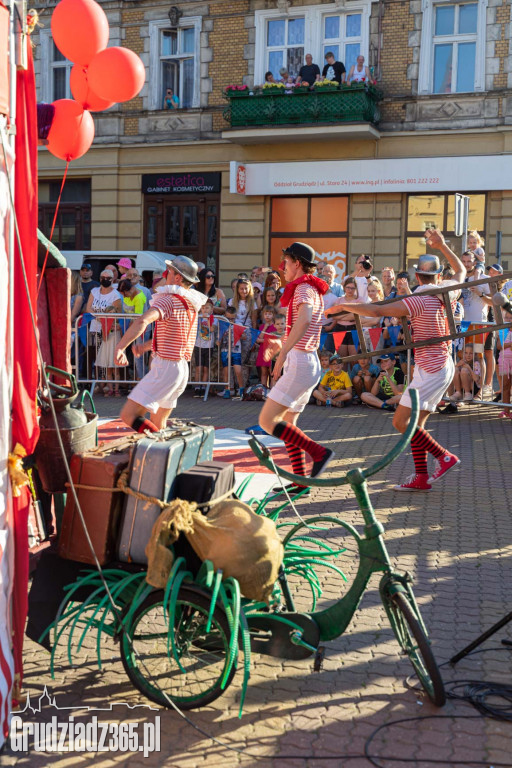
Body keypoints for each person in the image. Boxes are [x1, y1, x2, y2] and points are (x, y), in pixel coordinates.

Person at [327, 228, 466, 492]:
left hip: (431, 368)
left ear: (416, 276)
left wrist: (345, 306)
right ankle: (422, 478)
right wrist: (442, 246)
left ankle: (444, 456)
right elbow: (460, 272)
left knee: (401, 422)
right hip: (441, 365)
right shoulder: (447, 289)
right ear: (437, 275)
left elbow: (378, 309)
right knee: (417, 425)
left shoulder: (417, 299)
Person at [258, 242, 334, 496]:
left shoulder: (303, 288)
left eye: (287, 262)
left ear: (297, 263)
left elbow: (304, 321)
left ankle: (319, 452)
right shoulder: (310, 288)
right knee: (289, 422)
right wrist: (281, 345)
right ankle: (301, 481)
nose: (283, 267)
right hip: (305, 360)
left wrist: (282, 354)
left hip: (301, 361)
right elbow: (302, 326)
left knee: (268, 420)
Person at [114, 255, 207, 431]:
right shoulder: (189, 303)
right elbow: (175, 336)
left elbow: (142, 321)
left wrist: (121, 347)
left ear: (178, 277)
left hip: (166, 368)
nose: (165, 274)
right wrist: (146, 346)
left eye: (169, 271)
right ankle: (159, 453)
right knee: (158, 424)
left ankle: (155, 445)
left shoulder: (168, 299)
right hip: (180, 369)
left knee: (129, 415)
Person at [460, 250, 494, 399]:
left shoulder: (484, 279)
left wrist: (480, 294)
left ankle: (480, 391)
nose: (467, 264)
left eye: (469, 262)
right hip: (462, 324)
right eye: (464, 262)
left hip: (478, 324)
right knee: (462, 356)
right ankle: (464, 391)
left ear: (475, 263)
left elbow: (494, 302)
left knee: (479, 357)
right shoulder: (460, 279)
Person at [86, 269, 123, 396]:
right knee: (96, 357)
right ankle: (98, 384)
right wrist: (98, 317)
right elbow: (88, 307)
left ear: (113, 280)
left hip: (109, 330)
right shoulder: (94, 291)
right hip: (95, 328)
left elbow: (117, 313)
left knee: (108, 360)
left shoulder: (116, 295)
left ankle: (109, 386)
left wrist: (104, 319)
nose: (105, 279)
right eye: (103, 277)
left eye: (108, 277)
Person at [217, 305, 247, 399]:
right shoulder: (222, 324)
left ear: (236, 317)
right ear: (225, 316)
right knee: (226, 371)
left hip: (236, 350)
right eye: (228, 318)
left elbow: (244, 336)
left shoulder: (238, 324)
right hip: (225, 350)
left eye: (232, 319)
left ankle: (241, 389)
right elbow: (219, 338)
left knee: (238, 370)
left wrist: (239, 333)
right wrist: (218, 341)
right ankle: (227, 389)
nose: (230, 320)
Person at [194, 299, 217, 396]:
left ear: (211, 309)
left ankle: (203, 387)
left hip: (208, 346)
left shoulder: (214, 318)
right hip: (198, 345)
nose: (205, 310)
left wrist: (207, 319)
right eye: (203, 308)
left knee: (205, 368)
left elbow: (212, 329)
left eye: (207, 308)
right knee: (199, 368)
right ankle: (197, 386)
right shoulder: (198, 318)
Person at [255, 305, 277, 388]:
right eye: (266, 314)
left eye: (270, 314)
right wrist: (265, 328)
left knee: (271, 372)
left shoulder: (275, 327)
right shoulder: (261, 327)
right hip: (263, 352)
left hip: (271, 353)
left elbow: (274, 341)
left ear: (273, 315)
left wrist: (265, 341)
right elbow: (258, 339)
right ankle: (263, 390)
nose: (267, 316)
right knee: (263, 372)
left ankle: (272, 390)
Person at [497, 309, 512, 418]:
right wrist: (509, 344)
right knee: (506, 386)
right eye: (506, 317)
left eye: (511, 317)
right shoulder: (502, 331)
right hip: (504, 361)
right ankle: (506, 410)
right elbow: (498, 346)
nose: (508, 320)